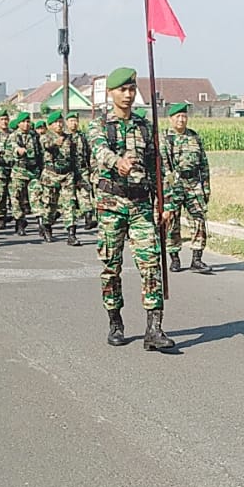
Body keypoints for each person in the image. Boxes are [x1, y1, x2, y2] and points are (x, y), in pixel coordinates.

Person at [88, 67, 173, 351]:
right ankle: (115, 321)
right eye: (122, 90)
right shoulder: (99, 124)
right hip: (111, 205)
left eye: (131, 89)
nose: (127, 94)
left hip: (141, 206)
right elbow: (99, 150)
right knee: (111, 267)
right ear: (111, 93)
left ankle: (154, 328)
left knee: (151, 263)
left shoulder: (145, 126)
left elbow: (157, 167)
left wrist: (166, 203)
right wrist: (117, 163)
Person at [163, 102, 211, 273]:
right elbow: (165, 167)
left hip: (193, 185)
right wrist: (168, 192)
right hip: (174, 185)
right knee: (172, 222)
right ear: (171, 119)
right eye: (178, 117)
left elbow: (203, 165)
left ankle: (197, 259)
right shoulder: (166, 139)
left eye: (184, 116)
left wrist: (205, 188)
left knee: (198, 219)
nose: (181, 120)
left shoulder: (194, 137)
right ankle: (174, 258)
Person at [40, 112, 81, 246]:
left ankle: (71, 234)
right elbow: (46, 146)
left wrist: (78, 175)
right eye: (55, 122)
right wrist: (55, 144)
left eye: (60, 122)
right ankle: (46, 226)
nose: (59, 125)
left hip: (67, 175)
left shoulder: (69, 138)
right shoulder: (45, 137)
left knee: (69, 204)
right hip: (51, 175)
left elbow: (75, 158)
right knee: (49, 205)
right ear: (50, 125)